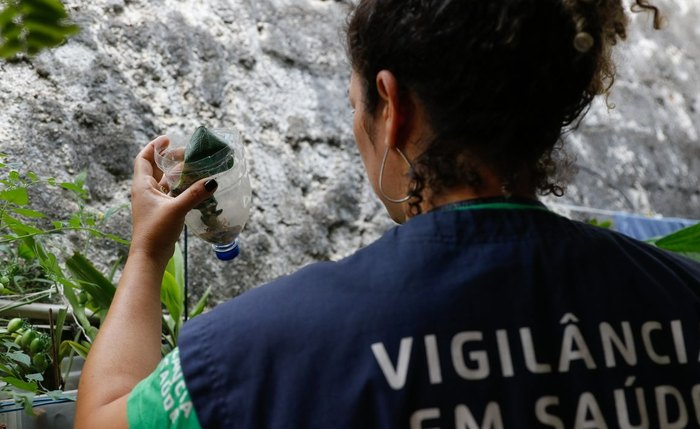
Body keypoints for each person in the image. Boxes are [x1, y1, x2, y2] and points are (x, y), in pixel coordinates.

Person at [75, 0, 700, 428]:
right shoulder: (683, 297)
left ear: (392, 107)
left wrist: (147, 251)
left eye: (356, 106)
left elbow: (103, 415)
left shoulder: (258, 350)